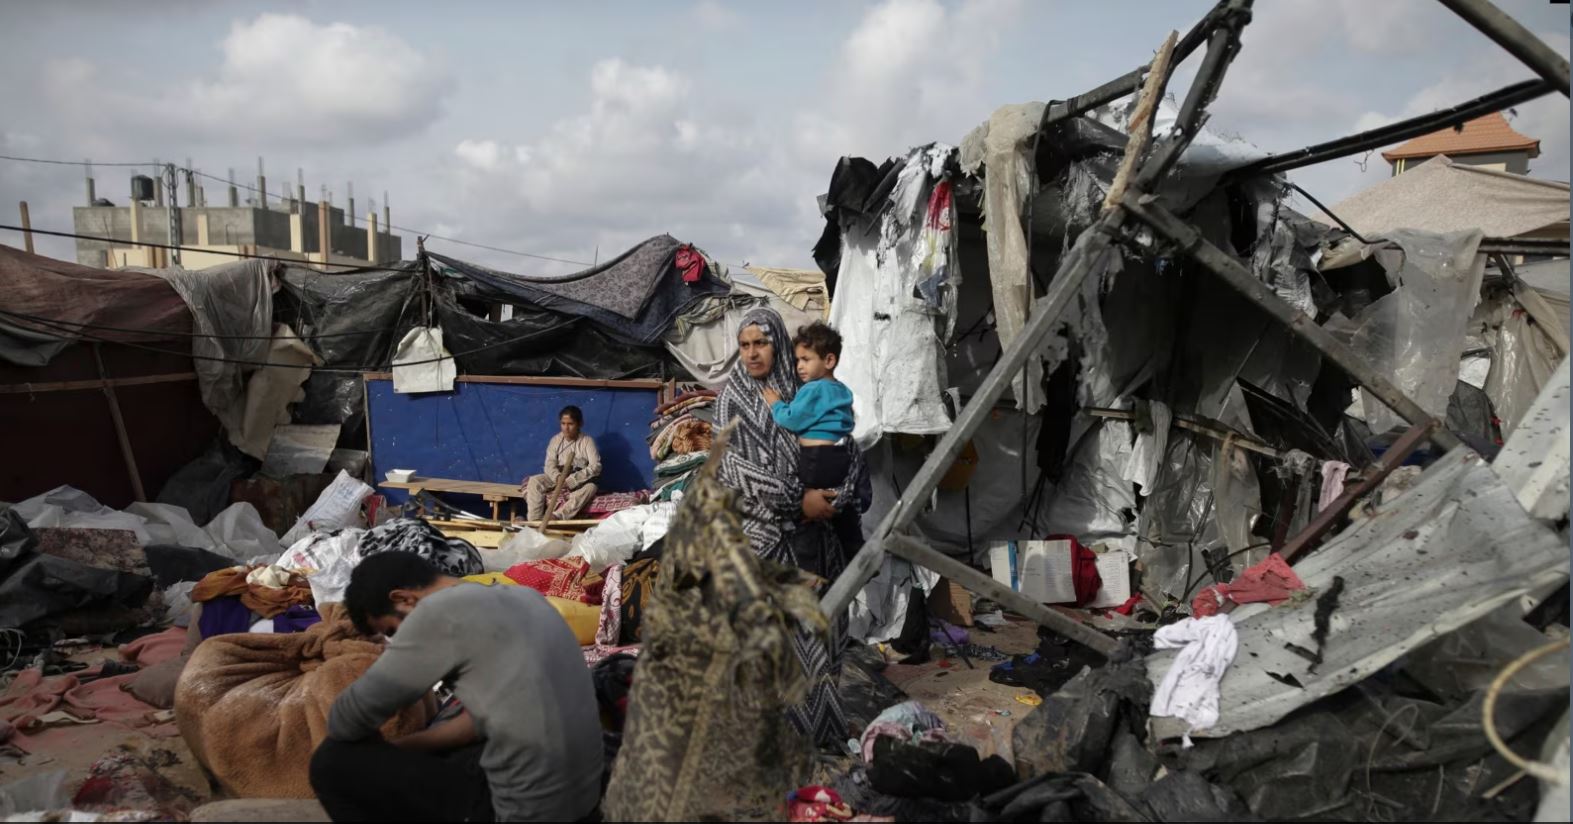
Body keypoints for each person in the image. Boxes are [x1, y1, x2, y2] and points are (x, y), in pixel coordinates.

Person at [309, 552, 603, 823]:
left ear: (403, 599)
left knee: (332, 762)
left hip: (521, 813)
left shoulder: (437, 614)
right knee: (448, 745)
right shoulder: (526, 598)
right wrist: (401, 750)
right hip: (580, 802)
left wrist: (371, 749)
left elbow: (347, 719)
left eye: (392, 632)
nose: (398, 641)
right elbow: (485, 718)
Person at [714, 307, 868, 748]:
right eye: (744, 346)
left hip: (816, 540)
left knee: (820, 638)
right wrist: (794, 498)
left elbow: (845, 444)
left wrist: (836, 496)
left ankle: (816, 732)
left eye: (760, 343)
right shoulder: (732, 400)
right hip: (762, 539)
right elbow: (730, 469)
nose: (752, 354)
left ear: (777, 343)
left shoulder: (806, 387)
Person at [761, 321, 863, 555]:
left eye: (806, 360)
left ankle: (800, 541)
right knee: (841, 510)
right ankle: (855, 548)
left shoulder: (813, 390)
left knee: (807, 502)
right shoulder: (841, 390)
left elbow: (791, 419)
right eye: (797, 360)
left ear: (828, 361)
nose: (799, 367)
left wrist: (775, 403)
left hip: (816, 459)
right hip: (839, 456)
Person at [524, 406, 601, 521]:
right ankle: (534, 520)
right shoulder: (555, 440)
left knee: (591, 488)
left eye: (570, 424)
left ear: (580, 424)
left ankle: (558, 516)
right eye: (563, 423)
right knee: (535, 481)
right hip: (558, 477)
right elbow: (549, 464)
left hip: (578, 480)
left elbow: (596, 466)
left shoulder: (587, 441)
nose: (566, 428)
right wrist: (558, 477)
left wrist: (572, 480)